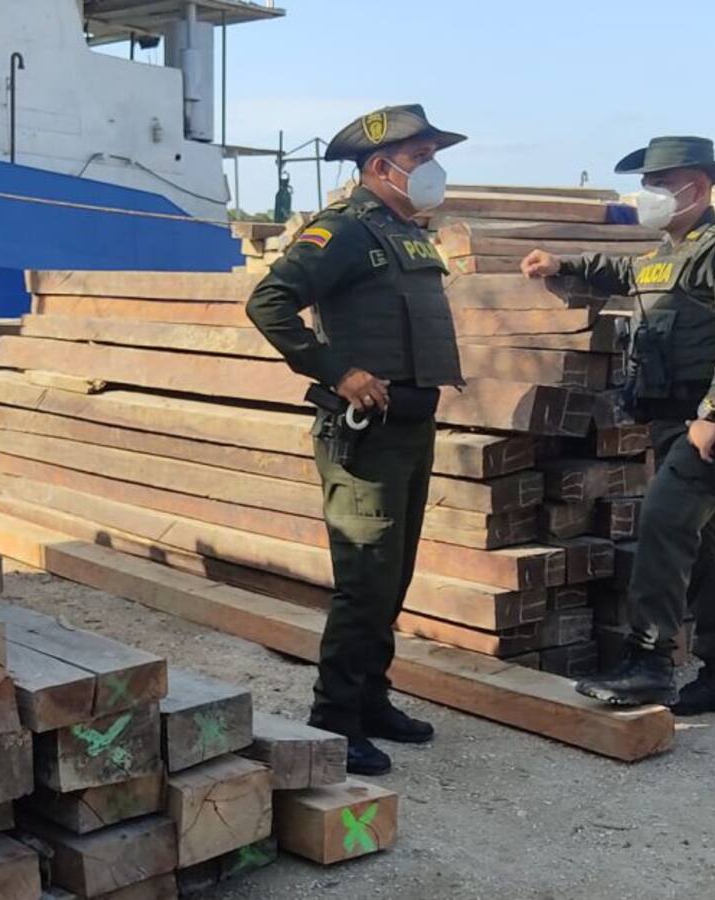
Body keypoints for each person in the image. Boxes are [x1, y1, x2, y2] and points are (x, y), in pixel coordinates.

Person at [246, 105, 467, 774]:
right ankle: (334, 719)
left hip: (411, 427)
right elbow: (269, 302)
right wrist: (337, 371)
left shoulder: (408, 233)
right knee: (364, 582)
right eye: (421, 156)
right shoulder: (341, 232)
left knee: (392, 578)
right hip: (365, 437)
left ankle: (372, 698)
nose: (432, 169)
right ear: (380, 165)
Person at [521, 136, 715, 713]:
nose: (649, 195)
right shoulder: (665, 252)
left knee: (663, 523)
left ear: (696, 187)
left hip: (711, 422)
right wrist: (563, 264)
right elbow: (620, 270)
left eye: (660, 185)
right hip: (675, 419)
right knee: (706, 544)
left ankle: (649, 662)